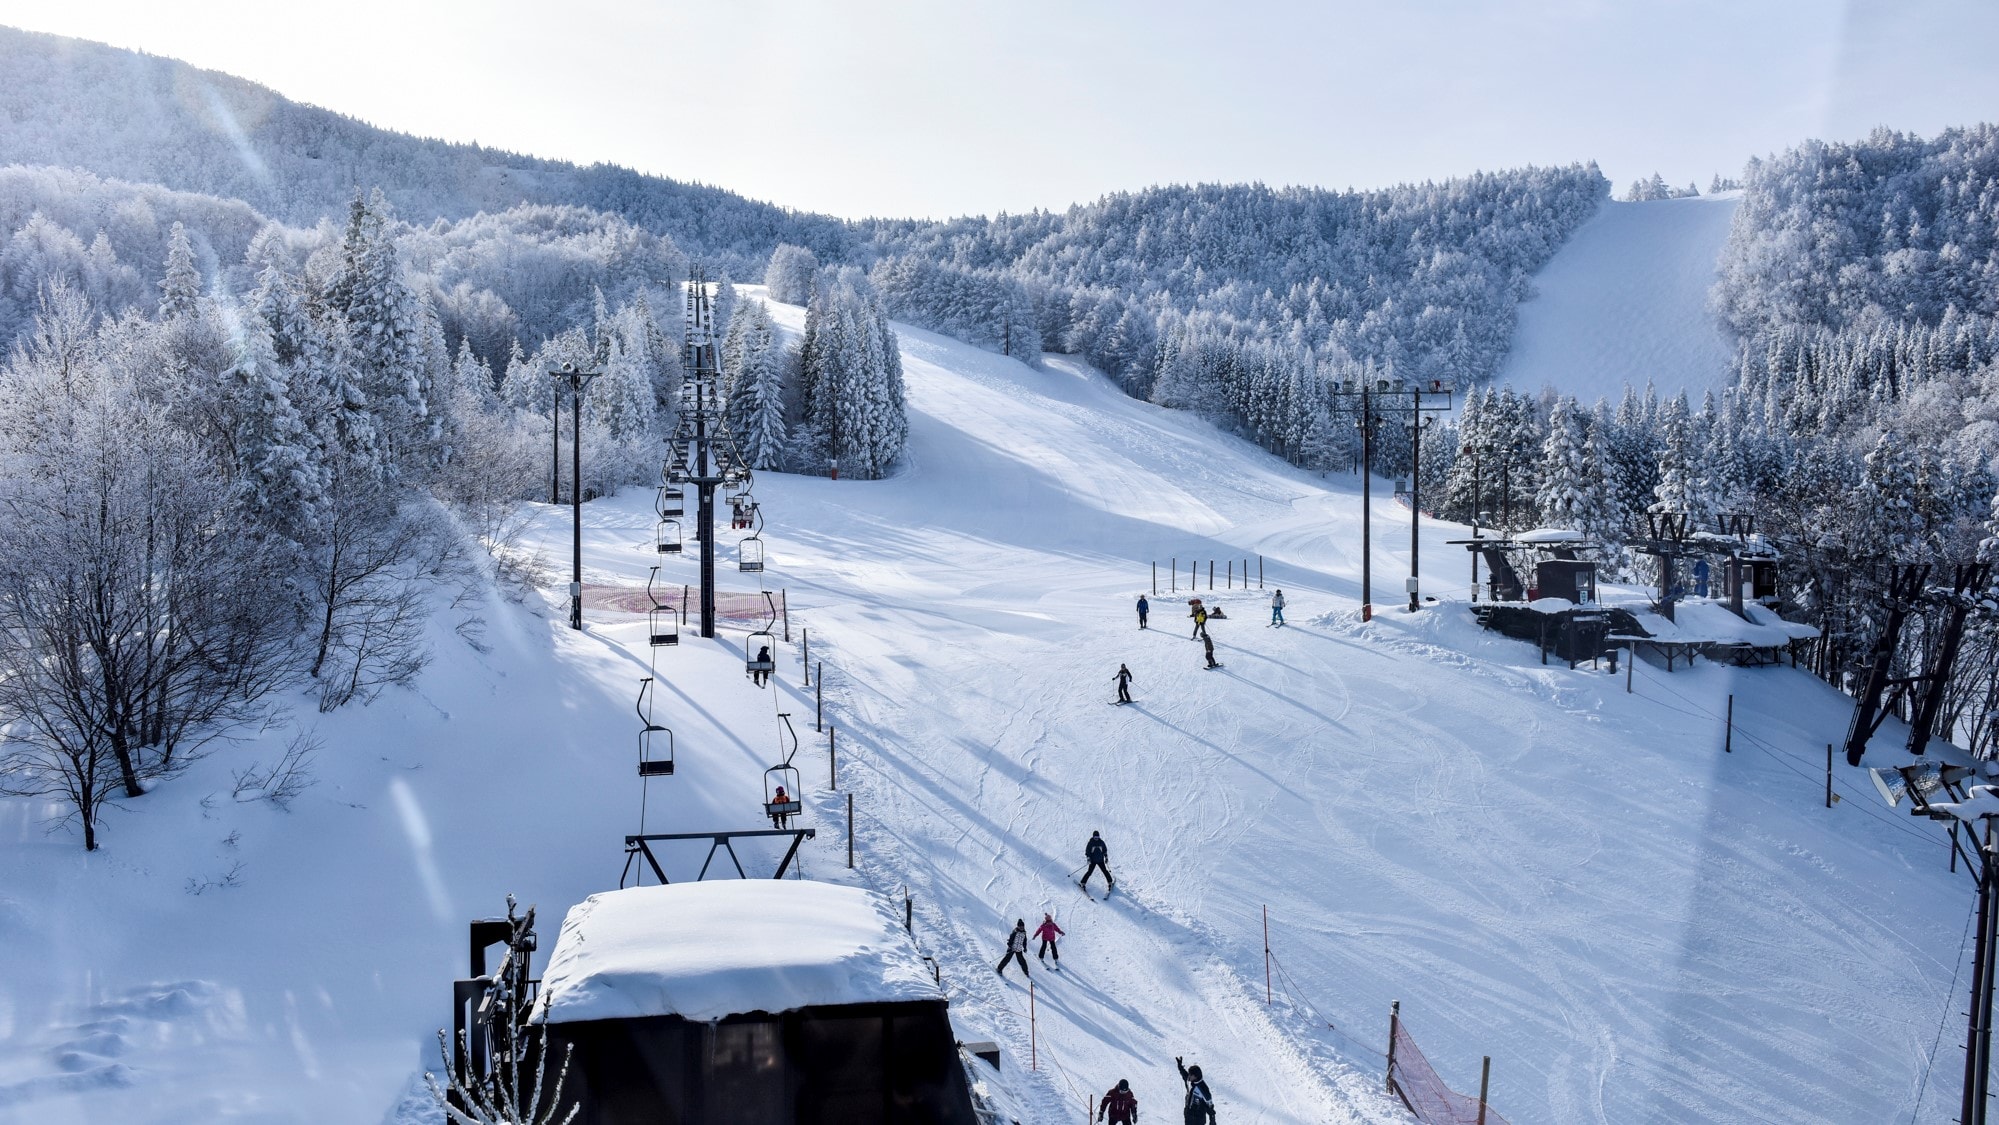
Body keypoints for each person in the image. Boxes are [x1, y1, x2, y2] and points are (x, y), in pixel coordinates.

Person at [1177, 1057, 1215, 1124]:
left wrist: (1212, 1121)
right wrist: (1180, 1066)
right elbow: (1185, 1075)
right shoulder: (1190, 1082)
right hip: (1189, 1118)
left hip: (1198, 1121)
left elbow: (1210, 1106)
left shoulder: (1203, 1088)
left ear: (1195, 1076)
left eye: (1190, 1075)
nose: (1189, 1076)